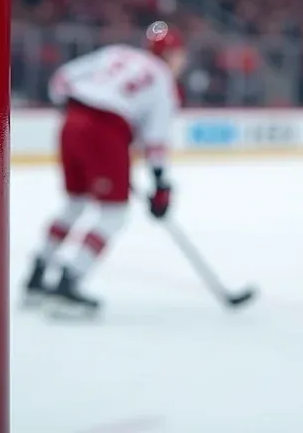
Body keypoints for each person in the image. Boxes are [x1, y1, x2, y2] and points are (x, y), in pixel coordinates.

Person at [26, 21, 187, 313]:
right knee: (113, 214)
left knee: (75, 202)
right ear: (171, 54)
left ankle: (36, 277)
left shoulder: (118, 53)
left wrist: (77, 113)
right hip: (106, 132)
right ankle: (68, 283)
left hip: (72, 122)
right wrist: (161, 185)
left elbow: (62, 79)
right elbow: (156, 141)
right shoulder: (163, 79)